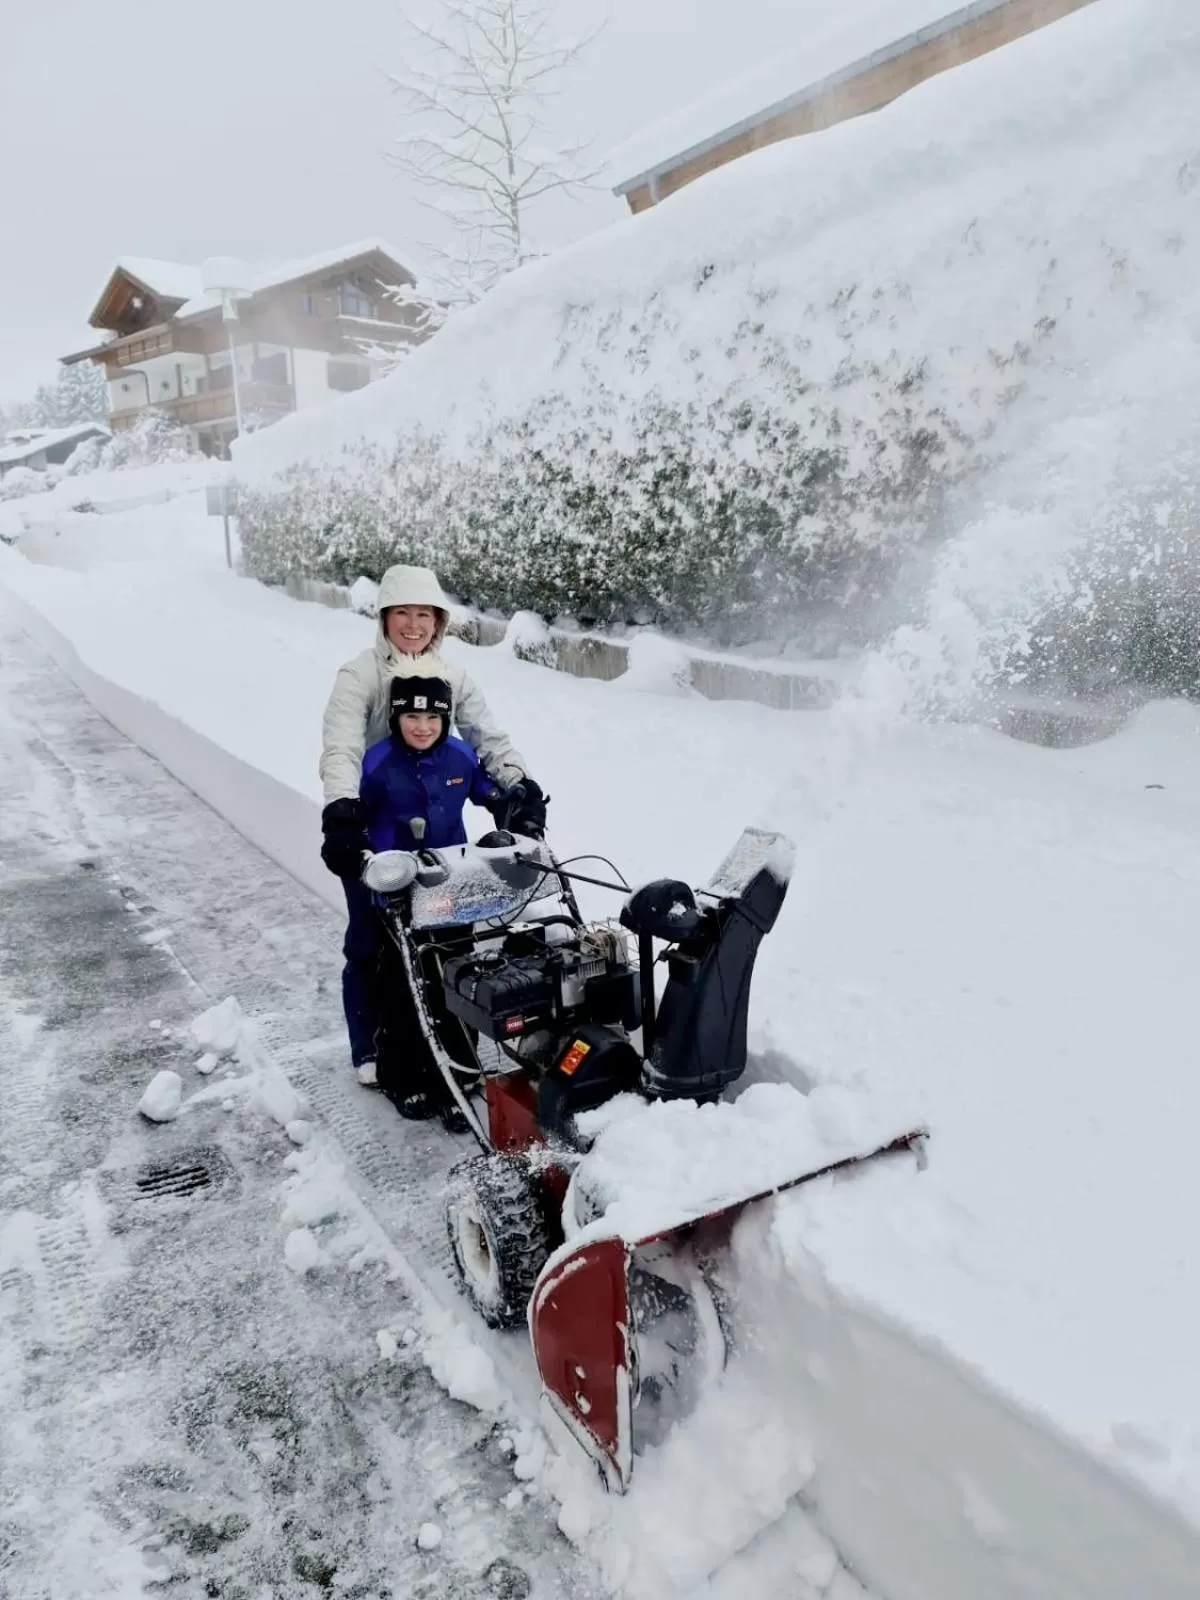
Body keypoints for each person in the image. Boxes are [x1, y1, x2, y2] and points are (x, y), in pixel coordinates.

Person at [329, 672, 511, 1118]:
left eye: (433, 716)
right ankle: (403, 1075)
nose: (423, 726)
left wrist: (516, 802)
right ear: (396, 717)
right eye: (412, 715)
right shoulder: (378, 763)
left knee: (456, 977)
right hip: (397, 891)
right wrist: (347, 838)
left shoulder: (460, 757)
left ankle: (460, 1072)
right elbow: (354, 814)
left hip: (451, 885)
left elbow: (488, 791)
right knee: (403, 986)